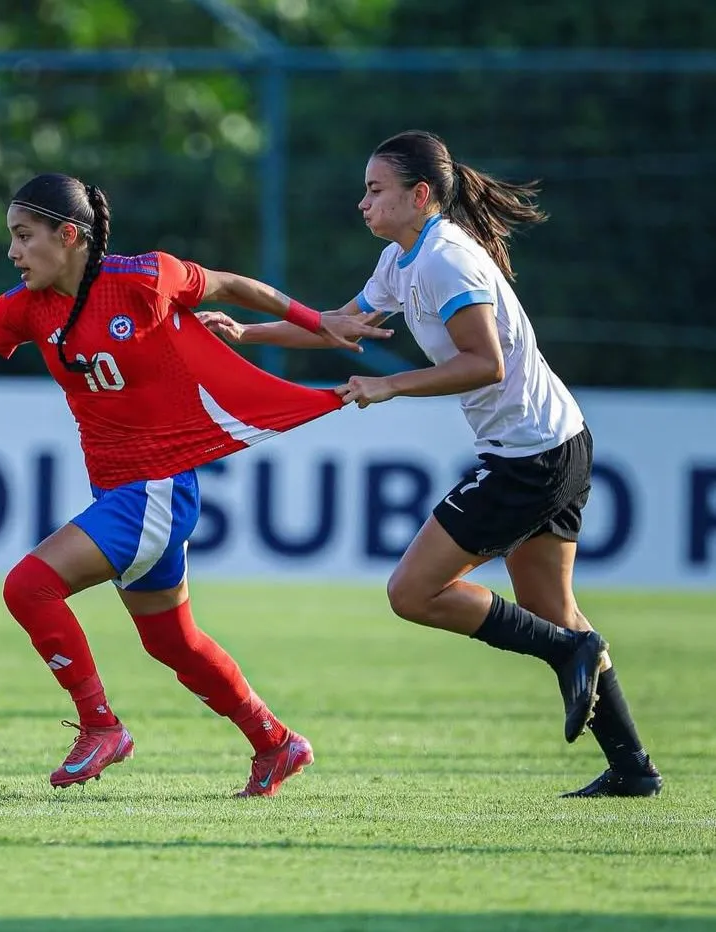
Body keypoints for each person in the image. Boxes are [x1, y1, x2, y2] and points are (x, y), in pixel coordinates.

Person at [0, 172, 392, 795]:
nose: (13, 252)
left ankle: (100, 727)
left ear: (68, 235)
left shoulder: (144, 279)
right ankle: (275, 742)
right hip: (124, 495)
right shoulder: (22, 307)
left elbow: (231, 285)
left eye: (24, 236)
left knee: (29, 586)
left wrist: (318, 321)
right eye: (11, 239)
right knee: (172, 643)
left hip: (156, 489)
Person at [198, 130, 661, 798]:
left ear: (420, 196)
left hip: (532, 454)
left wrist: (390, 385)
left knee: (412, 592)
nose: (362, 203)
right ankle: (632, 767)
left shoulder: (445, 261)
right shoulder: (402, 258)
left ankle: (570, 655)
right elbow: (342, 324)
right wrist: (249, 333)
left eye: (375, 190)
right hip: (555, 442)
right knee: (550, 606)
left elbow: (483, 363)